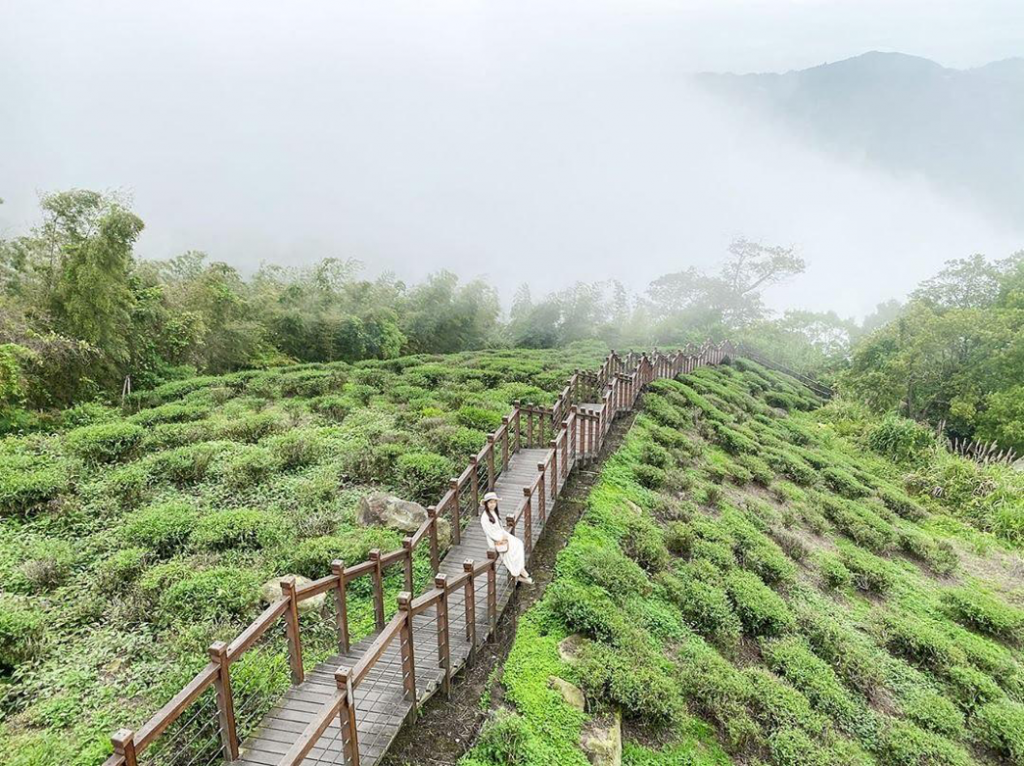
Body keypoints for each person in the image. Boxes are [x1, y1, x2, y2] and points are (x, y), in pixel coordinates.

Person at [479, 491, 533, 584]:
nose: (492, 504)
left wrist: (503, 534)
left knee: (518, 544)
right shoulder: (484, 517)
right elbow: (489, 532)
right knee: (510, 550)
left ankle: (520, 569)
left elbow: (498, 527)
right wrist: (500, 538)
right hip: (495, 539)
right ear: (486, 504)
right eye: (490, 502)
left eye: (494, 502)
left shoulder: (493, 512)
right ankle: (517, 573)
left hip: (501, 533)